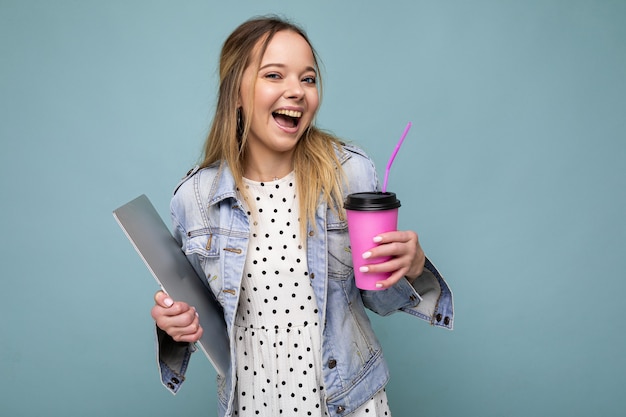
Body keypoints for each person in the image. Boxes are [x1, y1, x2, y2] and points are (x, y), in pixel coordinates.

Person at [151, 15, 454, 417]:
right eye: (275, 75)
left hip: (349, 404)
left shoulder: (348, 173)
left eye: (308, 79)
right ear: (236, 93)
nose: (296, 91)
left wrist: (411, 268)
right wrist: (173, 327)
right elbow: (200, 315)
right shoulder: (194, 198)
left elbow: (377, 298)